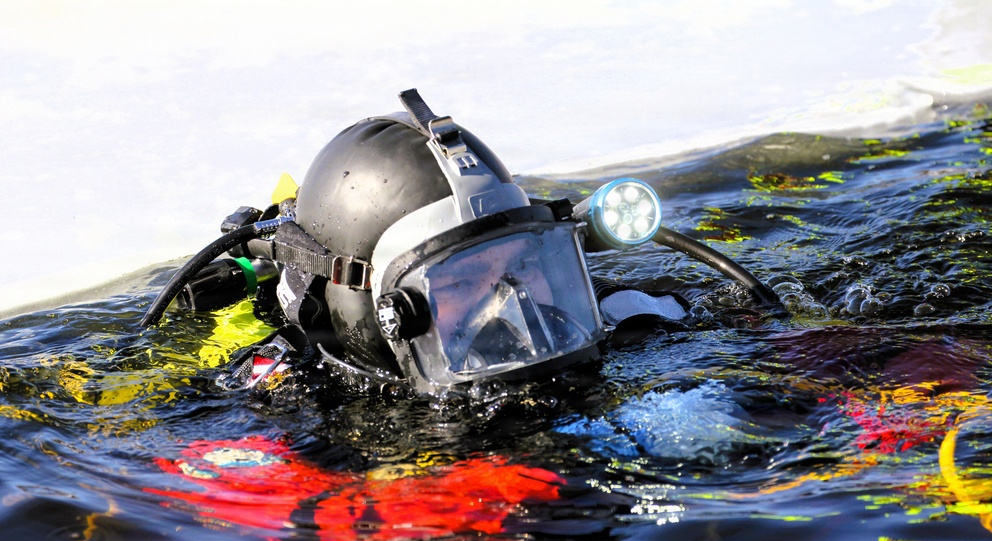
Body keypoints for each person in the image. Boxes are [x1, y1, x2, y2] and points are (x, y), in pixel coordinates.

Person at [141, 89, 780, 396]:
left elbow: (793, 363)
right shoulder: (291, 397)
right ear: (365, 315)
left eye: (521, 268)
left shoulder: (624, 319)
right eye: (462, 284)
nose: (513, 310)